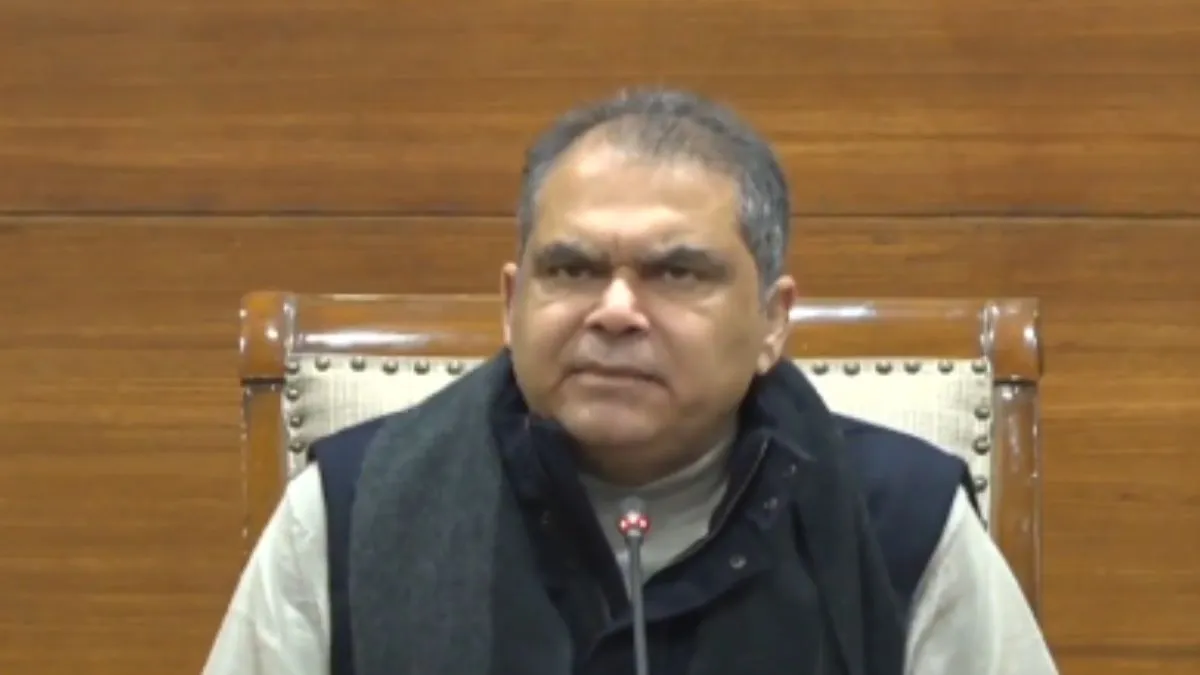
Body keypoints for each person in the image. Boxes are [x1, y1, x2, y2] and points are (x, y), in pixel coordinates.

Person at [202, 88, 1058, 675]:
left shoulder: (901, 521)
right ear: (511, 304)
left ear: (772, 320)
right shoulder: (354, 508)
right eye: (571, 269)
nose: (615, 310)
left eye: (676, 273)